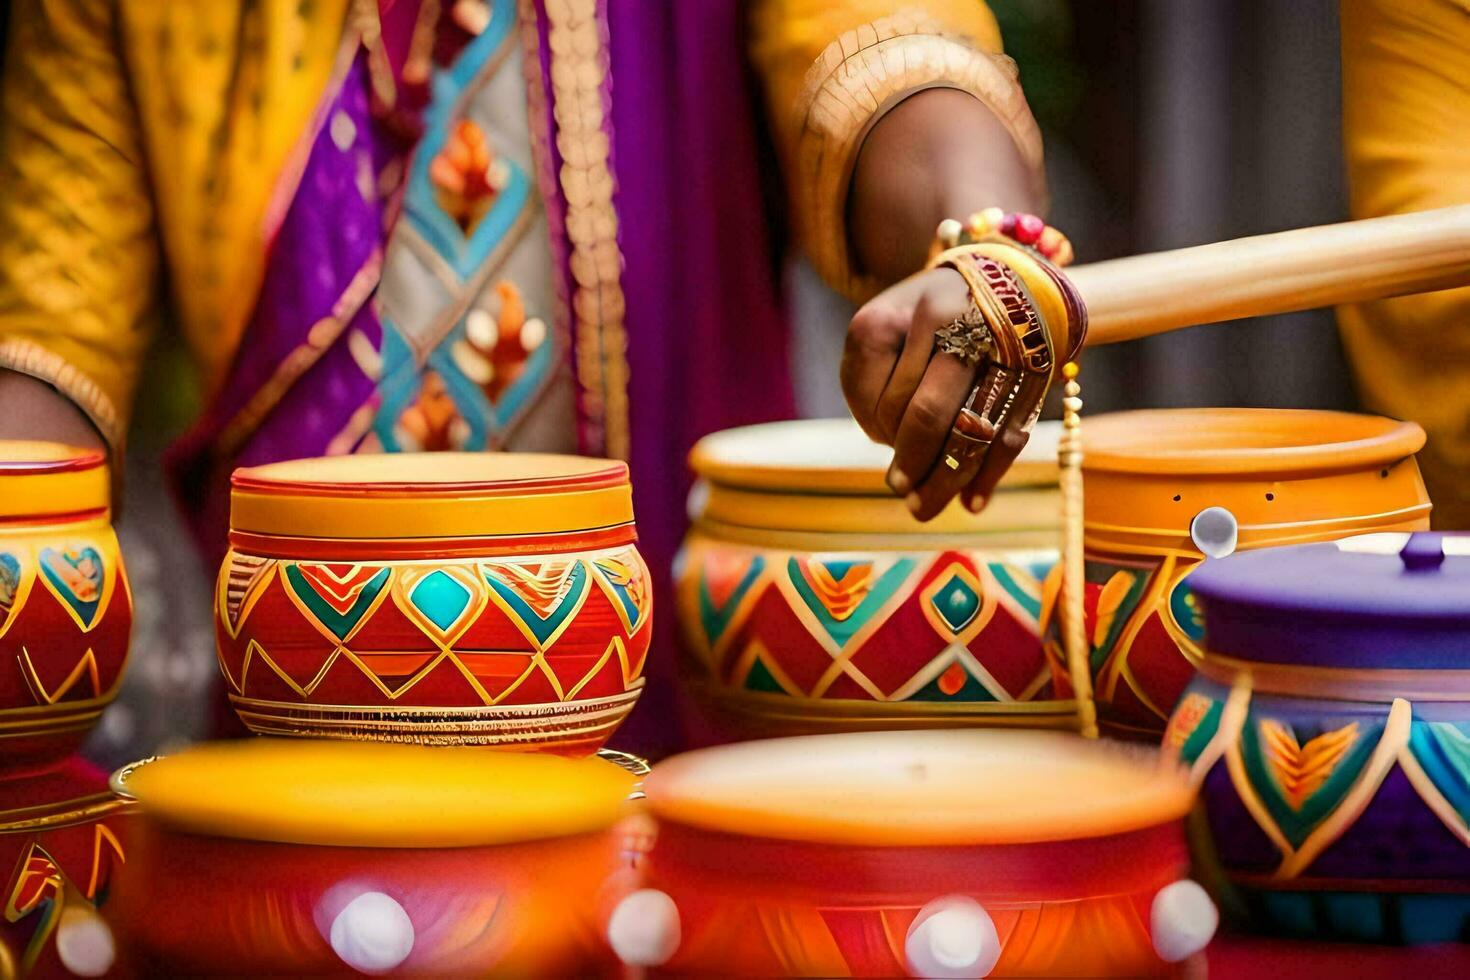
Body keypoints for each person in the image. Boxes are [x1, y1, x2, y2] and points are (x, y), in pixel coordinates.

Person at [0, 0, 1046, 755]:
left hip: (678, 738)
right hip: (296, 730)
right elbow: (48, 331)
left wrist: (989, 248)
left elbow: (887, 47)